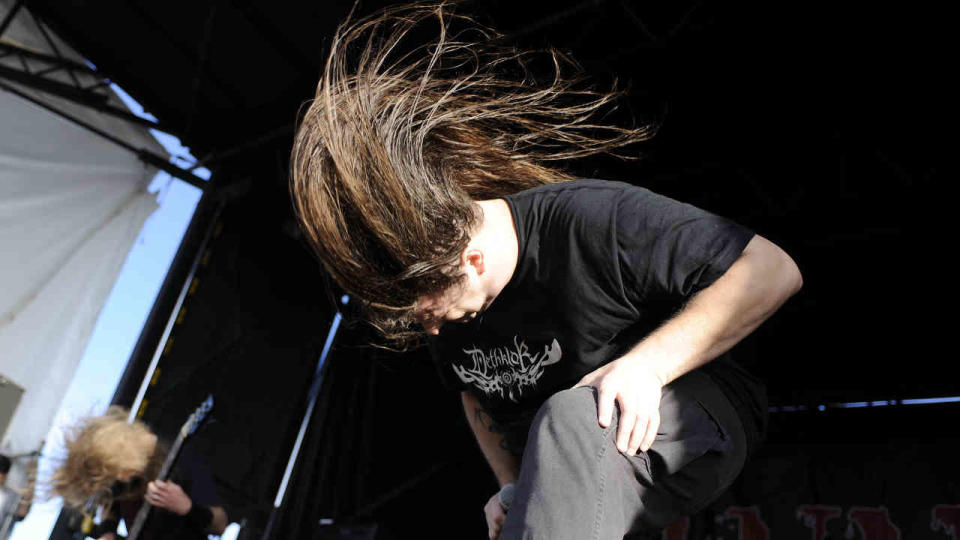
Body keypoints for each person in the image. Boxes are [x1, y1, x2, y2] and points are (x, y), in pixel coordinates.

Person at [290, 3, 802, 538]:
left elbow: (771, 269)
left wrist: (646, 367)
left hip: (701, 412)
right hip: (587, 452)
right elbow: (473, 394)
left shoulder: (591, 219)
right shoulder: (446, 308)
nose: (432, 330)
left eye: (430, 313)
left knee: (571, 417)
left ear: (470, 259)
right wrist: (511, 484)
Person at [51, 407, 227, 540]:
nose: (124, 478)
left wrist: (187, 507)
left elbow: (220, 525)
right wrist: (107, 532)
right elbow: (109, 513)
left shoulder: (182, 459)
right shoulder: (115, 483)